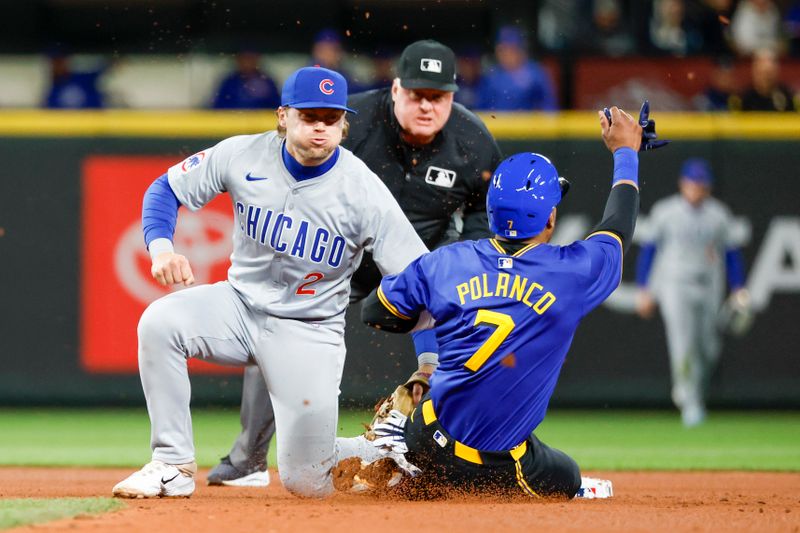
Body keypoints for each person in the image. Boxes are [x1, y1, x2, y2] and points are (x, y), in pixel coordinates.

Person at [110, 65, 428, 499]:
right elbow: (165, 189)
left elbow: (420, 277)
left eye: (331, 119)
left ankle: (390, 450)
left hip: (309, 331)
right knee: (160, 322)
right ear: (283, 117)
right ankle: (171, 464)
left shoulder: (362, 190)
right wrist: (162, 248)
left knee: (307, 481)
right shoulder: (243, 155)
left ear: (343, 124)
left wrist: (437, 355)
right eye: (309, 116)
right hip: (238, 307)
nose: (321, 127)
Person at [207, 39, 503, 487]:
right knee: (269, 330)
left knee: (459, 320)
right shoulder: (350, 123)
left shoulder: (473, 141)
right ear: (396, 88)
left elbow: (485, 211)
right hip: (337, 258)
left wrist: (463, 259)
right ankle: (249, 457)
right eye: (417, 94)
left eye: (438, 97)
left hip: (418, 257)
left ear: (453, 96)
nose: (427, 106)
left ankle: (444, 457)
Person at [343, 105, 649, 498]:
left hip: (426, 433)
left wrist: (431, 343)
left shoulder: (447, 262)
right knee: (568, 476)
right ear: (550, 218)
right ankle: (438, 477)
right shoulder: (571, 273)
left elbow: (377, 311)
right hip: (498, 463)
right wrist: (626, 154)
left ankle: (404, 450)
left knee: (432, 383)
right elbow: (617, 227)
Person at [635, 158, 748, 427]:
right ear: (682, 183)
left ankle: (692, 393)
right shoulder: (666, 211)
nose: (696, 188)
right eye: (692, 183)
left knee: (709, 348)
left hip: (709, 284)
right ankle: (690, 402)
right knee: (683, 344)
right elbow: (649, 251)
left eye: (701, 183)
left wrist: (739, 286)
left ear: (707, 187)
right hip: (676, 284)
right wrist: (644, 289)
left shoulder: (719, 214)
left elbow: (732, 254)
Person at [477, 26, 557, 111]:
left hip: (528, 123)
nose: (507, 54)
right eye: (502, 49)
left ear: (520, 50)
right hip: (496, 123)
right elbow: (481, 108)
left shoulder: (535, 74)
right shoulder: (491, 75)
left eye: (511, 49)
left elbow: (549, 107)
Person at [211, 50, 280, 109]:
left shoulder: (266, 81)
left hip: (261, 122)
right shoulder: (230, 82)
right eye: (244, 58)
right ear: (238, 60)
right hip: (233, 121)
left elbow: (277, 106)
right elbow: (218, 106)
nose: (247, 62)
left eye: (250, 58)